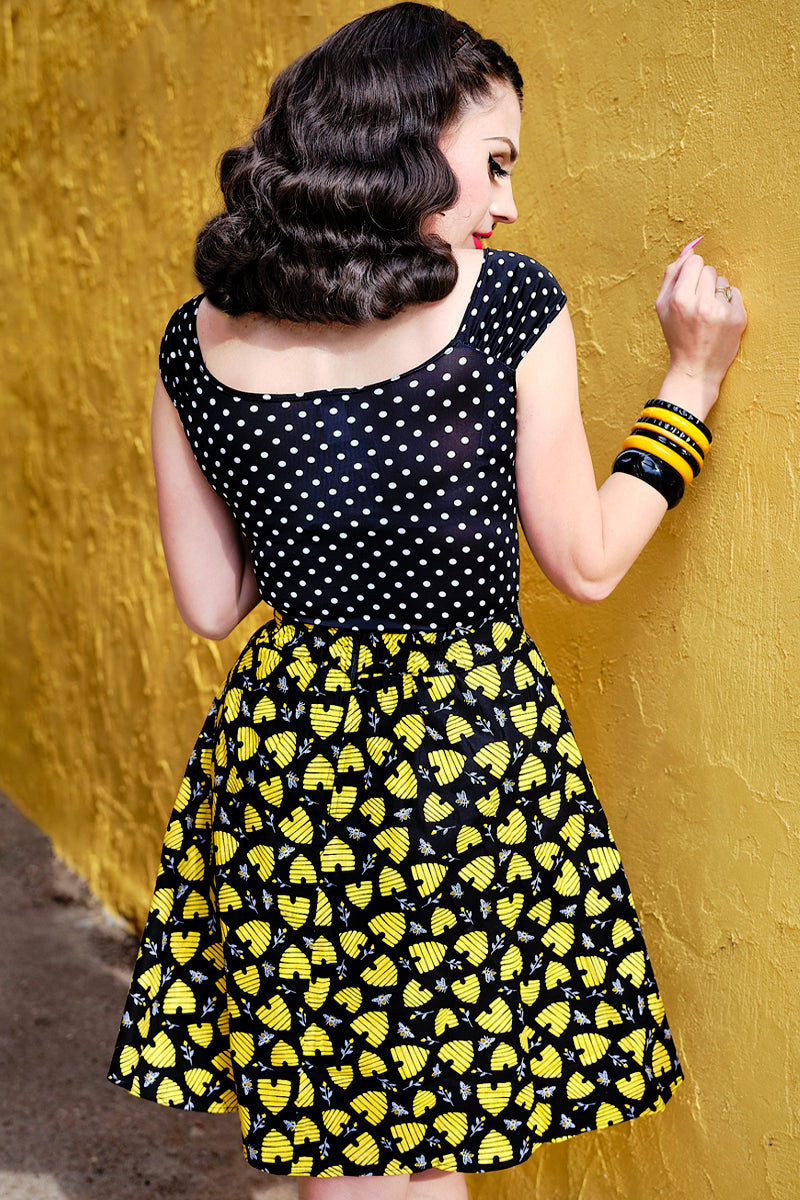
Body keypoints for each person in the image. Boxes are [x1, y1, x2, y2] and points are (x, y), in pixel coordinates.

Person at [108, 4, 746, 1198]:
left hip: (285, 760)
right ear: (406, 135)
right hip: (454, 755)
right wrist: (689, 381)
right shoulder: (501, 302)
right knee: (419, 1141)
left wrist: (306, 498)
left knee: (344, 1136)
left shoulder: (195, 340)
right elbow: (589, 559)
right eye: (494, 161)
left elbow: (209, 599)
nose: (504, 203)